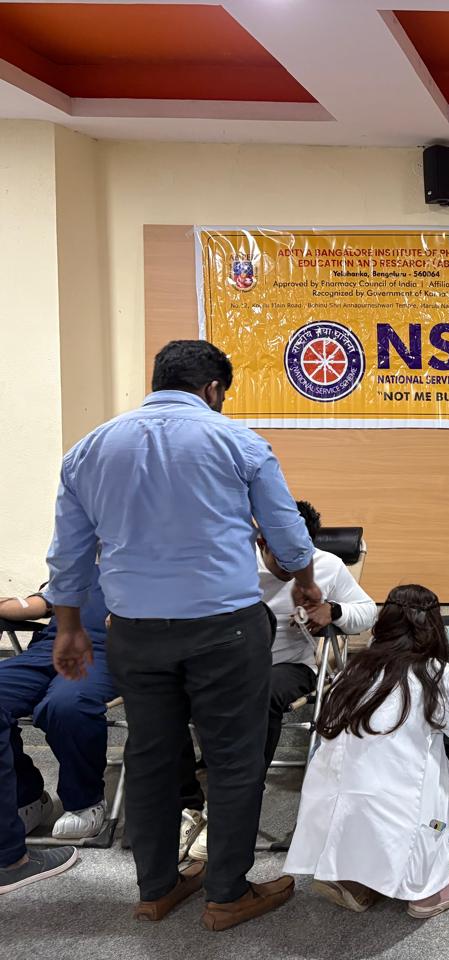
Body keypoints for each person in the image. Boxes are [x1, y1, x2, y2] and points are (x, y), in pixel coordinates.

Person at [44, 339, 321, 930]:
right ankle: (227, 894)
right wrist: (305, 583)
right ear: (213, 389)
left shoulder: (89, 449)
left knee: (149, 756)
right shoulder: (239, 443)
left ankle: (157, 887)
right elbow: (288, 536)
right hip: (225, 631)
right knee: (234, 758)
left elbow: (68, 555)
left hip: (134, 633)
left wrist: (68, 628)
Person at [175, 499, 378, 861]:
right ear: (262, 542)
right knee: (165, 695)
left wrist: (333, 610)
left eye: (301, 553)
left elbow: (367, 612)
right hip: (223, 666)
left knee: (260, 692)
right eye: (285, 556)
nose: (295, 565)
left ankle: (231, 811)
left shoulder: (326, 565)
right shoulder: (229, 561)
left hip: (287, 666)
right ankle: (188, 806)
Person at [284, 584, 449, 917]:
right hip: (398, 810)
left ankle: (352, 875)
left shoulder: (352, 671)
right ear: (434, 628)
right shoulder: (437, 675)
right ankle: (430, 888)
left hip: (331, 803)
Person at [0, 569, 114, 895]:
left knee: (66, 705)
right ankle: (26, 797)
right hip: (49, 647)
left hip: (104, 652)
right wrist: (8, 603)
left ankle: (84, 800)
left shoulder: (159, 565)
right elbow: (40, 603)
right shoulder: (82, 564)